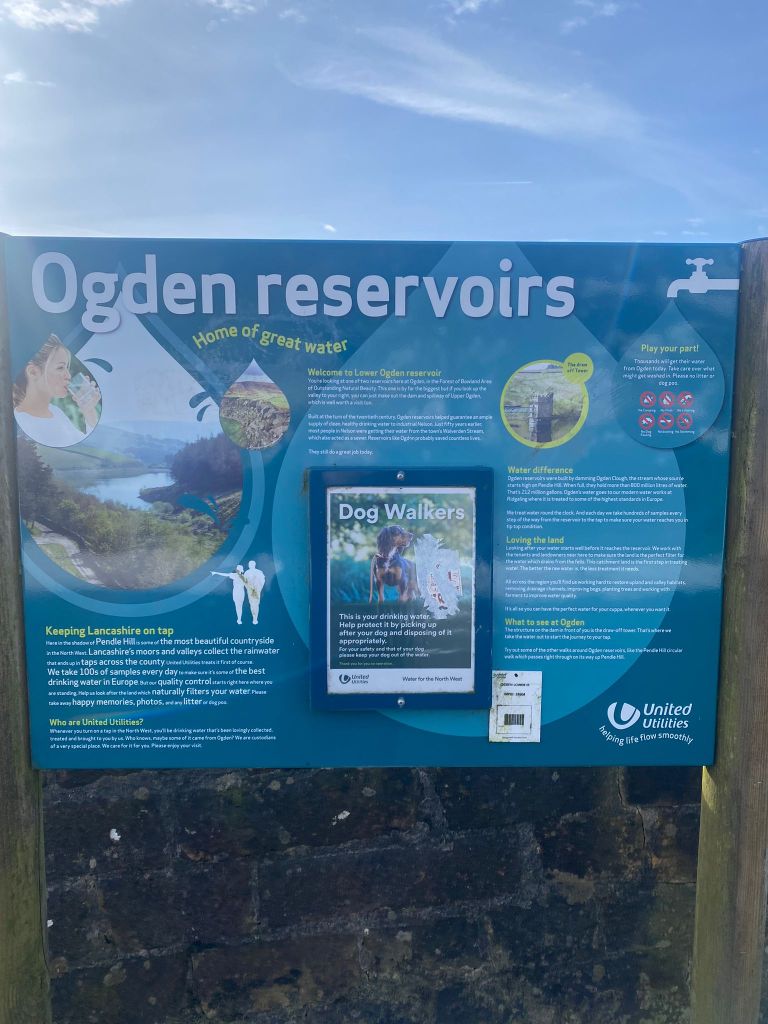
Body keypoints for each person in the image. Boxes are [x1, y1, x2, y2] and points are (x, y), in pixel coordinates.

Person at [13, 335, 101, 448]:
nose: (68, 376)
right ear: (33, 372)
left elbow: (89, 448)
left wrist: (88, 410)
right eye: (60, 368)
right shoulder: (24, 424)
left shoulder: (55, 412)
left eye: (67, 368)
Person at [242, 560, 266, 624]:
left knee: (255, 604)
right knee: (252, 604)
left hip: (256, 590)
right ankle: (254, 618)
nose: (250, 565)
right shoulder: (247, 572)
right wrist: (249, 588)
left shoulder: (259, 572)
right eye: (250, 564)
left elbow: (262, 581)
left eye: (251, 564)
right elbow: (245, 582)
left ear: (254, 565)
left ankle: (255, 619)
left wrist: (258, 589)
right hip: (251, 591)